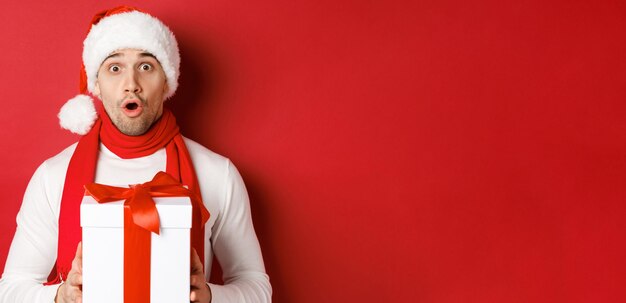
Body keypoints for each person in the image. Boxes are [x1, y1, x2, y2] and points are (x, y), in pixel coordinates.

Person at [0, 6, 271, 303]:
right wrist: (59, 297)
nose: (131, 84)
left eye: (146, 67)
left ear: (167, 81)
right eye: (114, 68)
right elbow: (10, 289)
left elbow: (257, 289)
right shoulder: (53, 176)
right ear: (97, 85)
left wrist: (208, 296)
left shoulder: (218, 174)